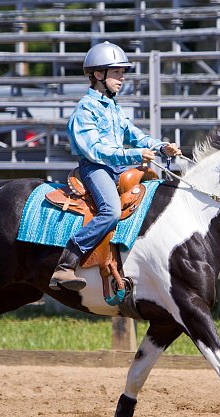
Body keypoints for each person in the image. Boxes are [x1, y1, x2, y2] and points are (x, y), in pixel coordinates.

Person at [49, 41, 181, 291]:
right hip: (95, 168)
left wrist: (162, 147)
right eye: (117, 73)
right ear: (99, 75)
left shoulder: (114, 108)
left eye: (123, 73)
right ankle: (66, 264)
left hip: (117, 167)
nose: (122, 79)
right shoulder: (85, 110)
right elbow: (96, 150)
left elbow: (136, 136)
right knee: (109, 211)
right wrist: (134, 154)